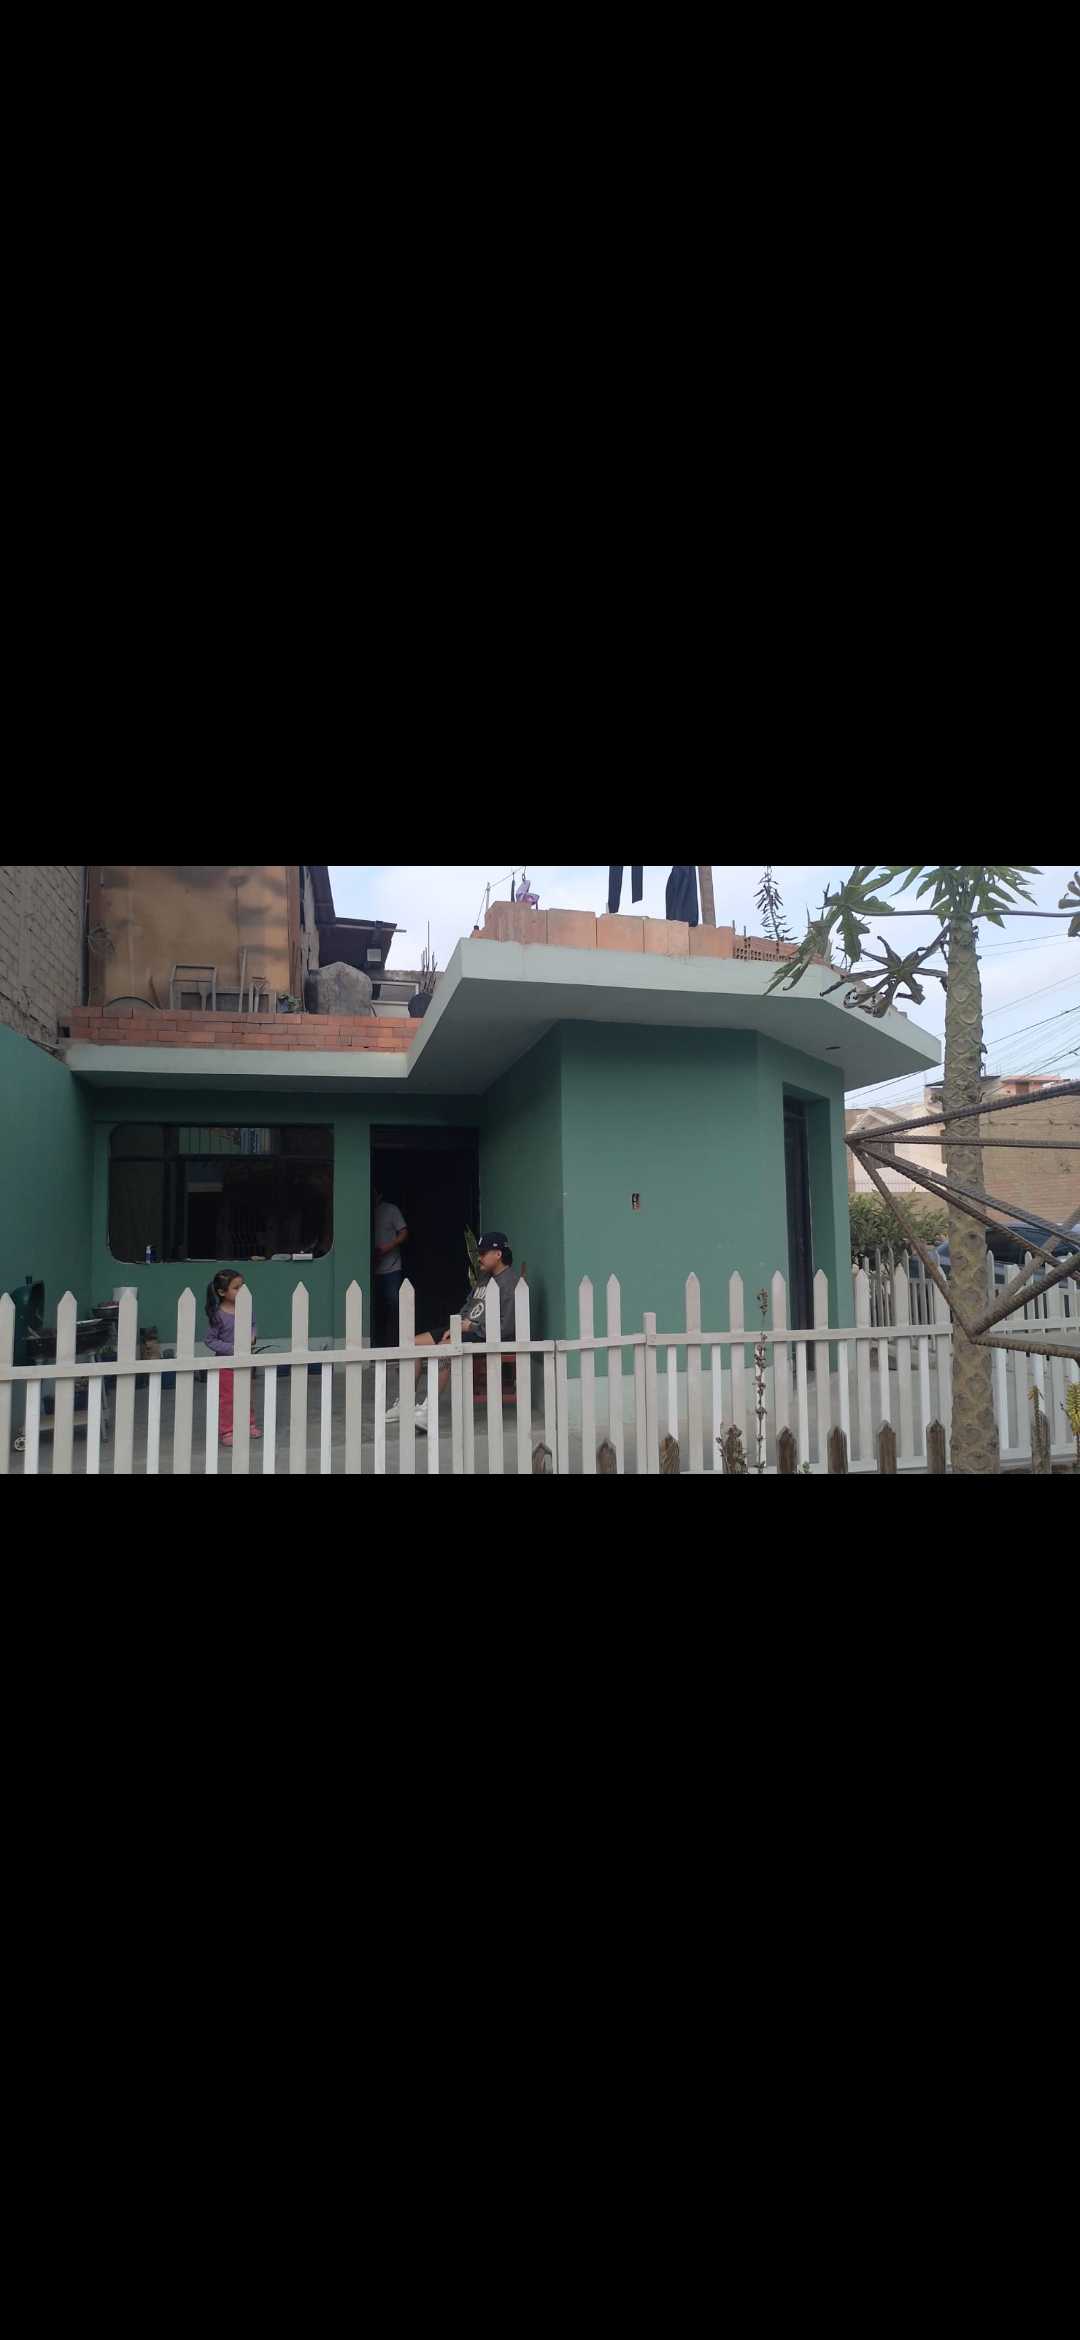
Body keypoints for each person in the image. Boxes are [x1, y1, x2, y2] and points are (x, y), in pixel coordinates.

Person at [385, 1232, 517, 1436]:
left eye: (483, 1253)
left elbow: (506, 1327)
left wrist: (470, 1328)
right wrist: (456, 1326)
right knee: (411, 1343)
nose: (479, 1258)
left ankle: (428, 1411)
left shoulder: (511, 1283)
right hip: (464, 1328)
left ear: (498, 1254)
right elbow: (468, 1306)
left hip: (484, 1335)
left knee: (443, 1350)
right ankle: (405, 1402)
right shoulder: (484, 1278)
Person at [205, 1269, 262, 1447]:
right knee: (228, 1399)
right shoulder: (218, 1315)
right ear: (222, 1292)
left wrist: (252, 1336)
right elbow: (210, 1340)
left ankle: (249, 1424)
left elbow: (253, 1325)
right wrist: (231, 1349)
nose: (241, 1290)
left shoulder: (246, 1308)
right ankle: (228, 1430)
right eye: (236, 1288)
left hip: (246, 1361)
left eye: (242, 1286)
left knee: (247, 1395)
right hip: (226, 1365)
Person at [373, 1188, 409, 1345]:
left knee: (394, 1305)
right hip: (370, 1270)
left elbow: (404, 1232)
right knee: (374, 1308)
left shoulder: (391, 1210)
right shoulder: (363, 1209)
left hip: (391, 1268)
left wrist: (388, 1246)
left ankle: (394, 1342)